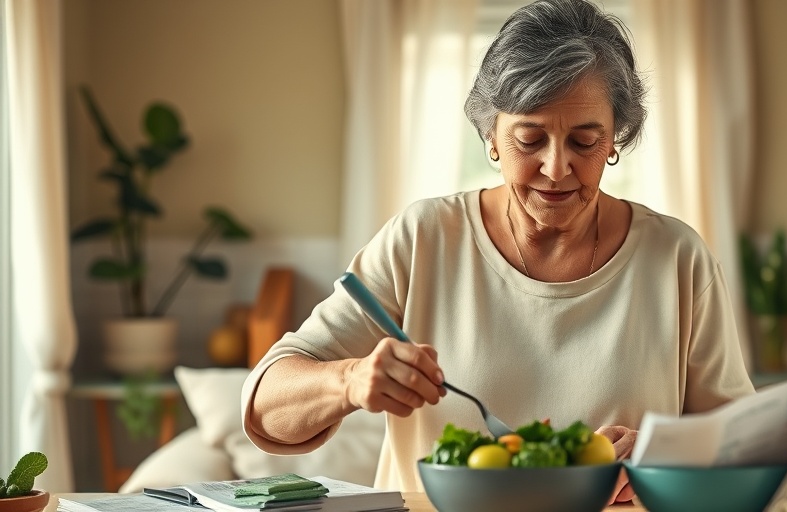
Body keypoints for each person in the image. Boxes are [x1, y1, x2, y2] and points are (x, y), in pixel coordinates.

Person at [241, 0, 754, 503]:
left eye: (584, 142)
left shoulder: (677, 258)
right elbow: (265, 406)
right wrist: (350, 380)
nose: (557, 168)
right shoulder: (422, 239)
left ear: (616, 137)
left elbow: (744, 448)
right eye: (529, 140)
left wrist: (662, 459)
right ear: (490, 134)